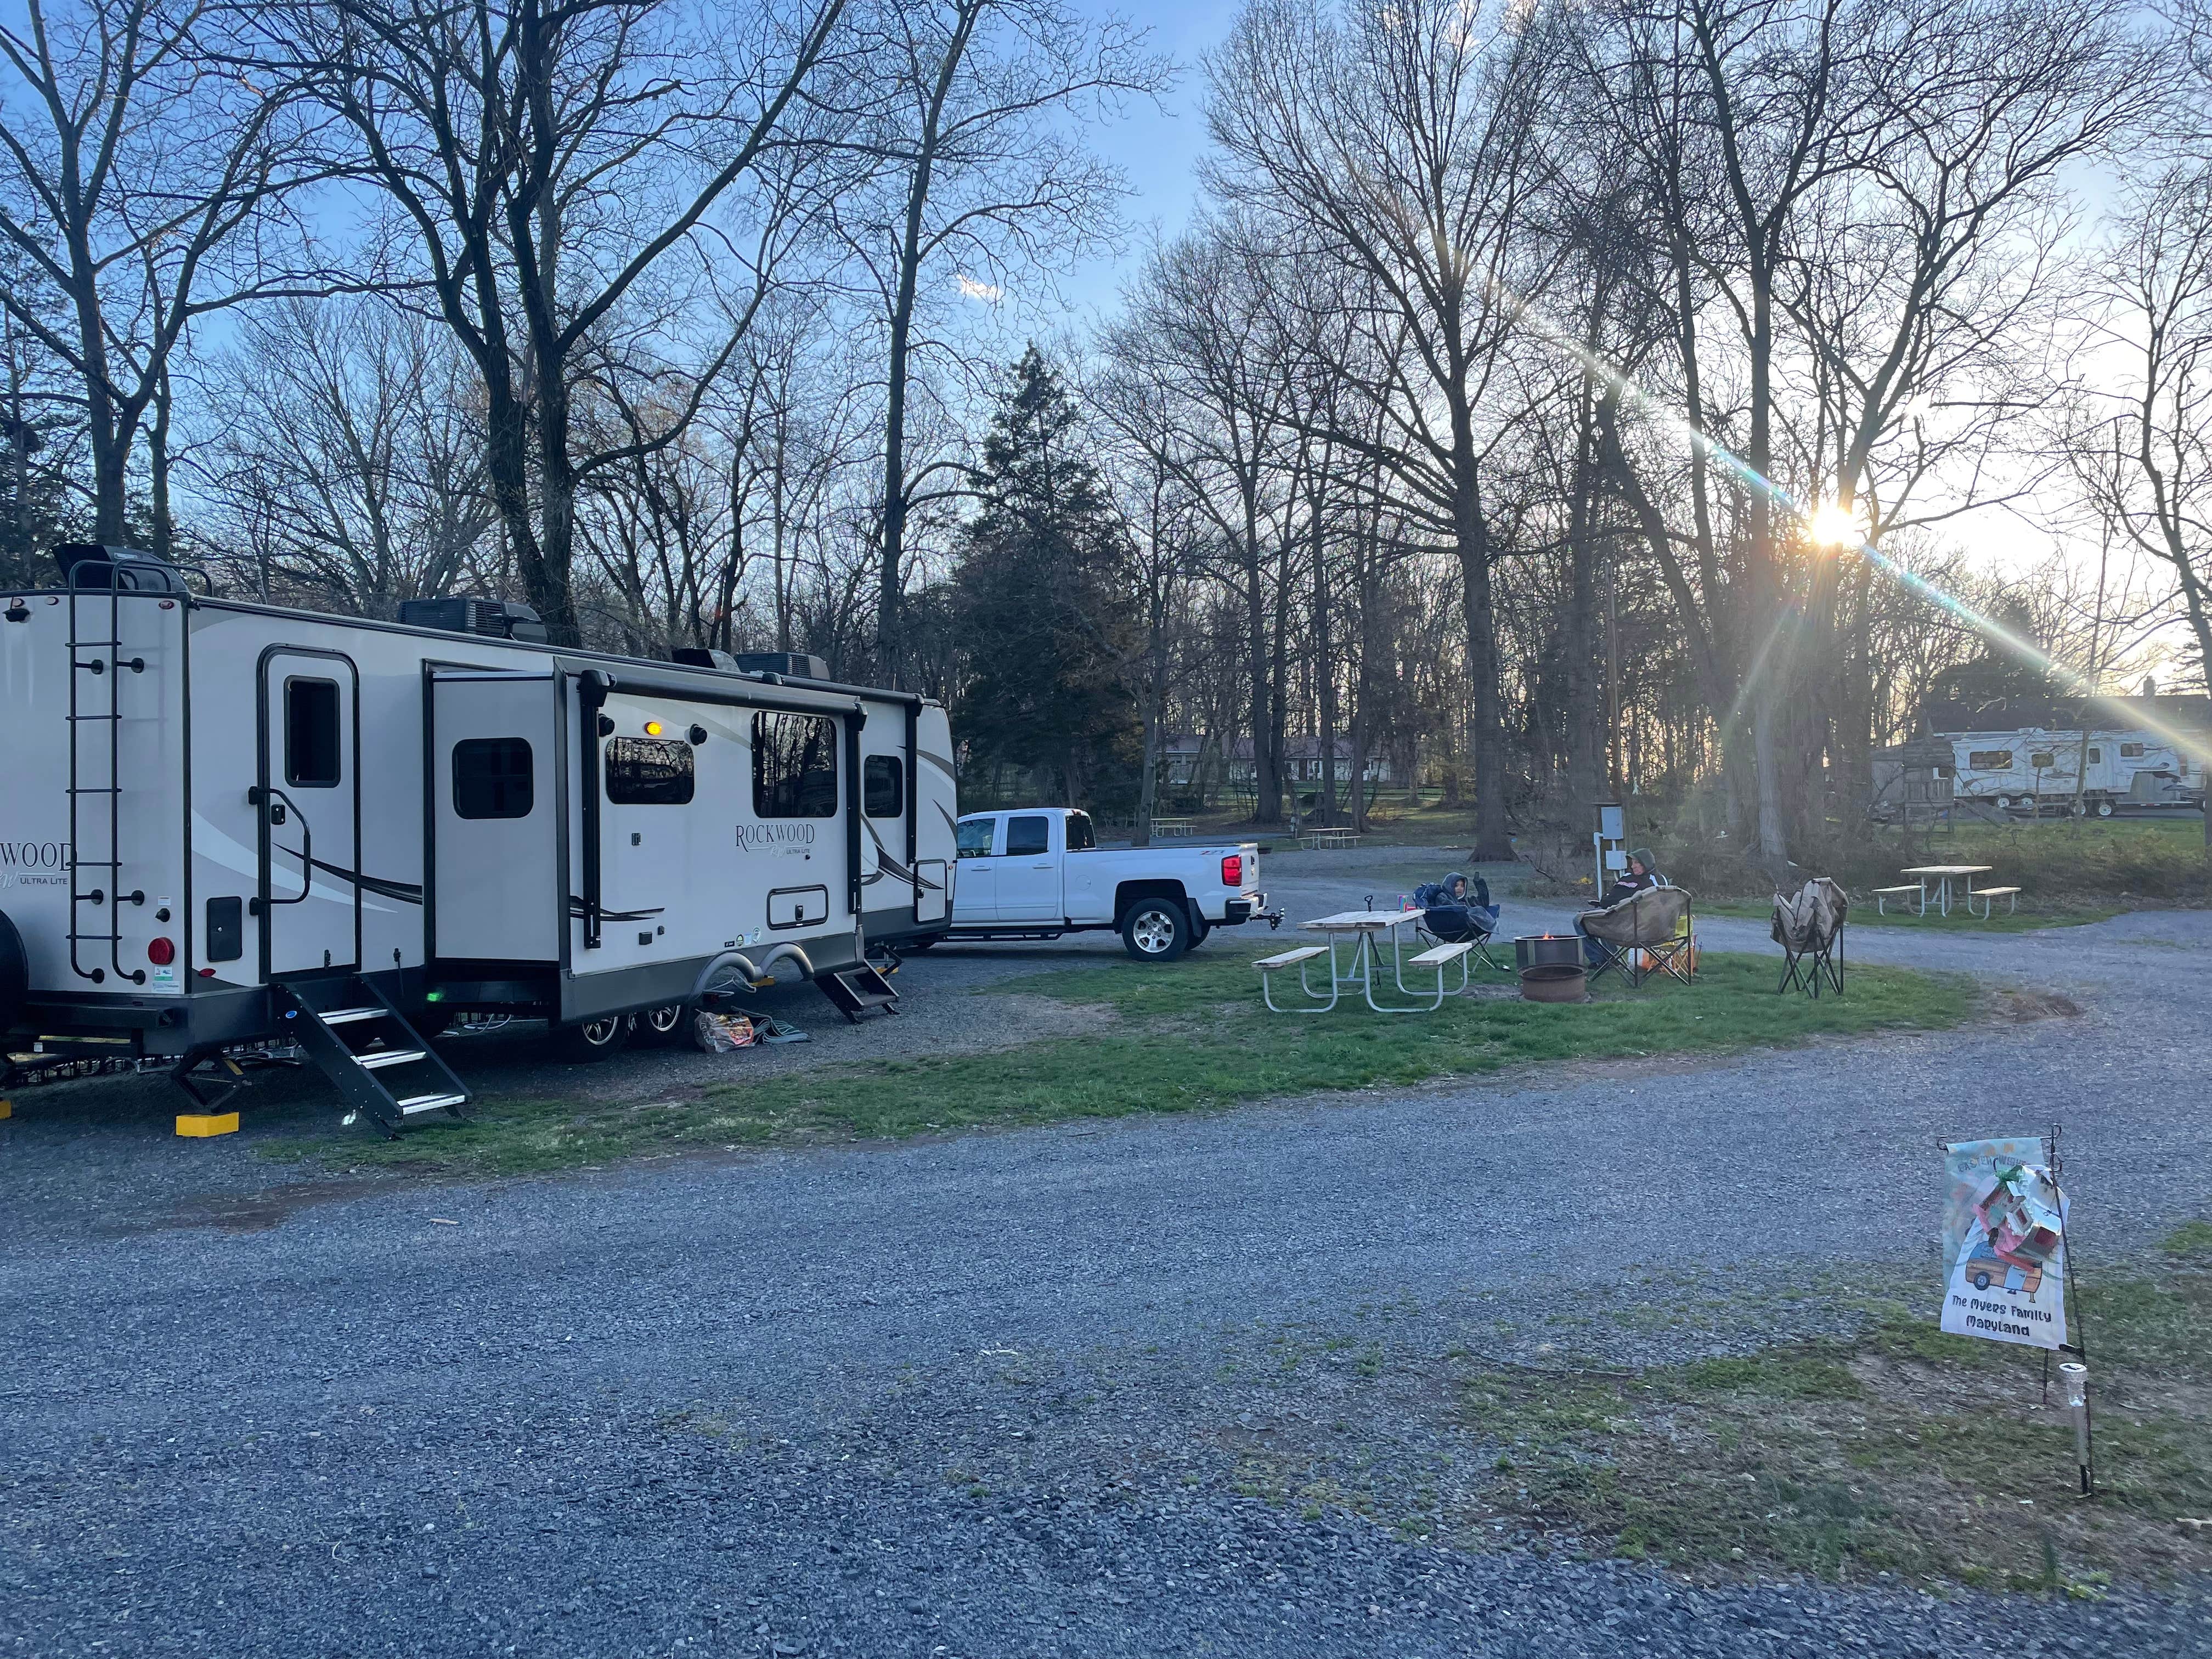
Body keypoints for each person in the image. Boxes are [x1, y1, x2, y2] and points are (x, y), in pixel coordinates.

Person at [1576, 849, 1662, 966]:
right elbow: (1614, 893)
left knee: (1582, 920)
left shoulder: (1655, 880)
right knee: (1580, 919)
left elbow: (1658, 904)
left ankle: (1607, 960)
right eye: (1632, 862)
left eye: (1636, 863)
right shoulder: (1627, 876)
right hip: (1612, 914)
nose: (1633, 866)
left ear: (1646, 863)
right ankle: (1602, 960)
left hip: (1632, 924)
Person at [1418, 871, 1500, 943]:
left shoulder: (1463, 900)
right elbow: (1451, 909)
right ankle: (1487, 923)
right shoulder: (1442, 896)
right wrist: (1465, 909)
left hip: (1466, 930)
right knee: (1477, 911)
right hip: (1451, 929)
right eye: (1456, 885)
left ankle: (1487, 922)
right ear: (1449, 885)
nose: (1460, 888)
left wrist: (1480, 884)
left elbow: (1483, 904)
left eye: (1462, 886)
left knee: (1480, 909)